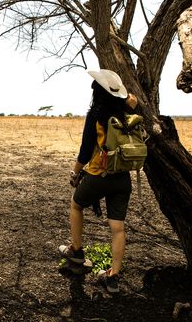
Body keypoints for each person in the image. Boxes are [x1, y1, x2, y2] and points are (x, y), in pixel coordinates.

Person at [59, 69, 138, 293]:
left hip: (98, 175)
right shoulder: (127, 113)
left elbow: (85, 151)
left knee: (76, 205)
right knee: (118, 228)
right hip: (122, 178)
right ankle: (113, 276)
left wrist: (75, 174)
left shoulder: (95, 115)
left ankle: (76, 252)